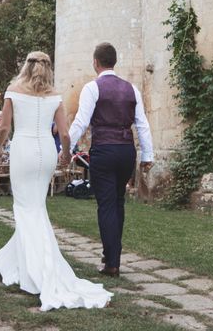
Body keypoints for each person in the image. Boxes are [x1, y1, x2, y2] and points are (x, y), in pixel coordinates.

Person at [0, 51, 112, 311]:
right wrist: (66, 155)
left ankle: (36, 270)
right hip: (45, 150)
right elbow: (65, 134)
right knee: (36, 207)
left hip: (22, 149)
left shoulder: (13, 90)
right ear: (48, 68)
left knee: (24, 208)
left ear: (27, 66)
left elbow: (3, 128)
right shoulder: (54, 96)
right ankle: (16, 260)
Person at [69, 43, 154, 278]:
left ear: (96, 62)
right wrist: (148, 156)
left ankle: (112, 262)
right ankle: (112, 256)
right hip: (127, 151)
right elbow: (142, 124)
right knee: (117, 202)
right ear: (114, 62)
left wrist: (65, 149)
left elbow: (81, 122)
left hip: (104, 151)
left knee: (106, 205)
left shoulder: (92, 87)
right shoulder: (132, 89)